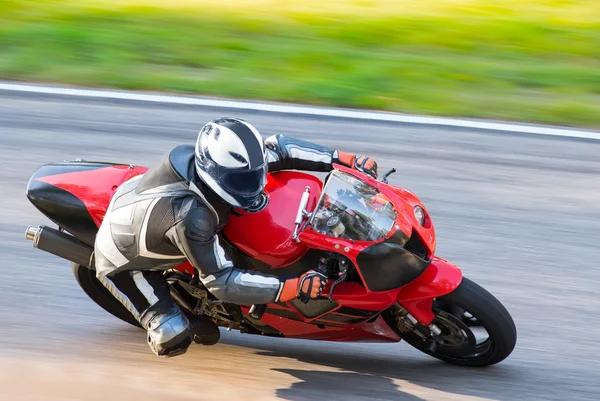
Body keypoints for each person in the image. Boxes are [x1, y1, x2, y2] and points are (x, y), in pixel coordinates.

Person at [93, 117, 378, 357]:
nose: (255, 186)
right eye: (243, 181)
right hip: (121, 255)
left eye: (255, 175)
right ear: (212, 173)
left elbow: (279, 148)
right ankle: (175, 317)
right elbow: (222, 283)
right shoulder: (193, 218)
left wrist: (343, 160)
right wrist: (292, 287)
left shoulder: (231, 165)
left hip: (145, 206)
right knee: (172, 336)